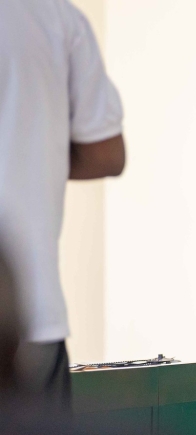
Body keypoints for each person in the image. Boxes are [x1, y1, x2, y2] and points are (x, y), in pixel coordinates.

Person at [0, 0, 126, 411]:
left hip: (31, 325)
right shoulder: (55, 17)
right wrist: (37, 157)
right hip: (31, 323)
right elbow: (106, 151)